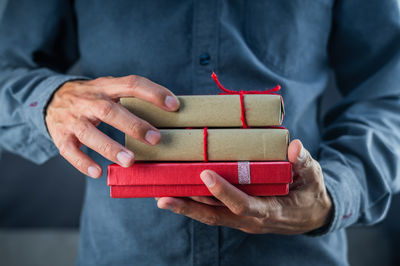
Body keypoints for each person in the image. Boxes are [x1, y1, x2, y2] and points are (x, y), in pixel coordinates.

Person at [1, 1, 399, 265]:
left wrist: (336, 195)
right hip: (126, 251)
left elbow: (390, 91)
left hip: (294, 248)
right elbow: (6, 69)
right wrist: (51, 98)